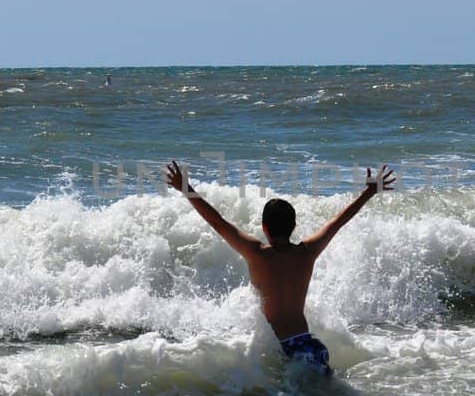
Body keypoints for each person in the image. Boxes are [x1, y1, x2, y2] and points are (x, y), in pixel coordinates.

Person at [164, 160, 396, 377]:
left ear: (264, 227)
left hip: (280, 350)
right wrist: (368, 193)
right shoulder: (307, 252)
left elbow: (218, 222)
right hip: (309, 345)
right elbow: (337, 221)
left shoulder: (257, 254)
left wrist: (187, 188)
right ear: (294, 226)